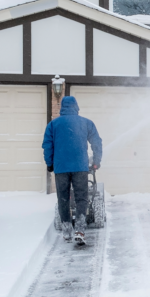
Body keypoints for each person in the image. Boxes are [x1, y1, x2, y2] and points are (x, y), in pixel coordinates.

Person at [42, 96, 103, 243]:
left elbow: (47, 145)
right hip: (80, 167)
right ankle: (80, 230)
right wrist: (96, 161)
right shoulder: (86, 123)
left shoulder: (53, 124)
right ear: (76, 106)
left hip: (61, 168)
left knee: (63, 198)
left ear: (62, 107)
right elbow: (96, 142)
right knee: (81, 197)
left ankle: (67, 230)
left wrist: (50, 163)